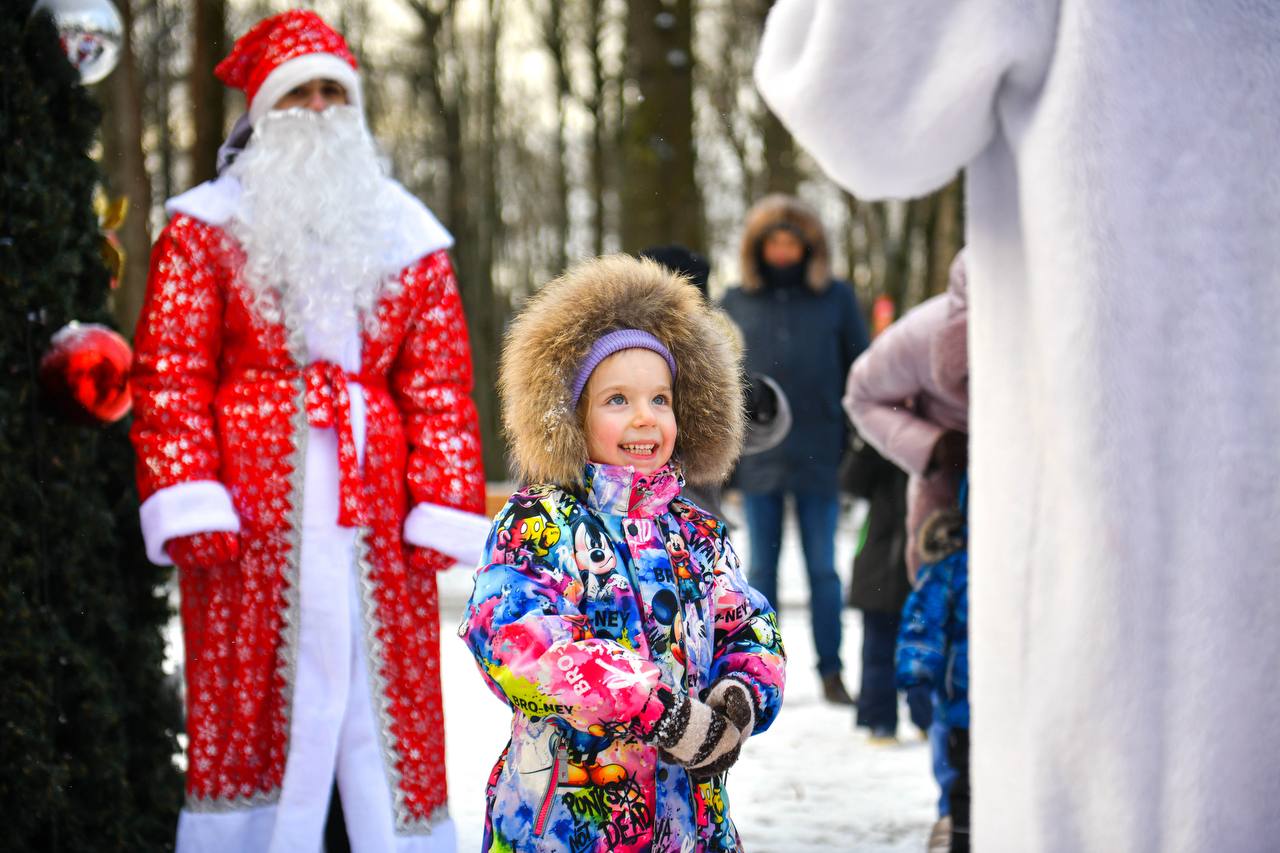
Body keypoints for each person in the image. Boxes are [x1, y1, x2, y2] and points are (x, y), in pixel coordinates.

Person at [755, 4, 1280, 850]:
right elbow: (866, 388)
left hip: (1116, 578)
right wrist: (933, 448)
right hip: (951, 511)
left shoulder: (845, 304)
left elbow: (842, 87)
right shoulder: (923, 334)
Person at [129, 11, 487, 851]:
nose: (320, 107)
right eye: (300, 93)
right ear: (262, 110)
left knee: (385, 702)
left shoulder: (407, 233)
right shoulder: (204, 226)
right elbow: (172, 369)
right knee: (249, 696)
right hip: (248, 519)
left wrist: (440, 500)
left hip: (376, 512)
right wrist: (188, 492)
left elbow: (438, 383)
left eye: (334, 90)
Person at [459, 255, 786, 852]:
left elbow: (749, 625)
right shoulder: (540, 524)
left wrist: (737, 698)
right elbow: (516, 642)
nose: (645, 417)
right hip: (569, 823)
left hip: (690, 824)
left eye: (660, 399)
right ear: (570, 416)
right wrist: (659, 710)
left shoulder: (696, 532)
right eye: (617, 400)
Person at [721, 194, 869, 705]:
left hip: (821, 452)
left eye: (793, 242)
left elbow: (861, 371)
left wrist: (855, 440)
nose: (784, 251)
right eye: (774, 242)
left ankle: (832, 670)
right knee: (760, 571)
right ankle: (764, 671)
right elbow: (719, 383)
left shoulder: (836, 299)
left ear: (809, 247)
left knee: (824, 570)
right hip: (759, 458)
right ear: (758, 248)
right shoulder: (734, 303)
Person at [843, 254, 969, 849]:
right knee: (943, 663)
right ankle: (958, 801)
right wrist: (935, 446)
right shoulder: (921, 337)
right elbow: (861, 404)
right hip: (937, 531)